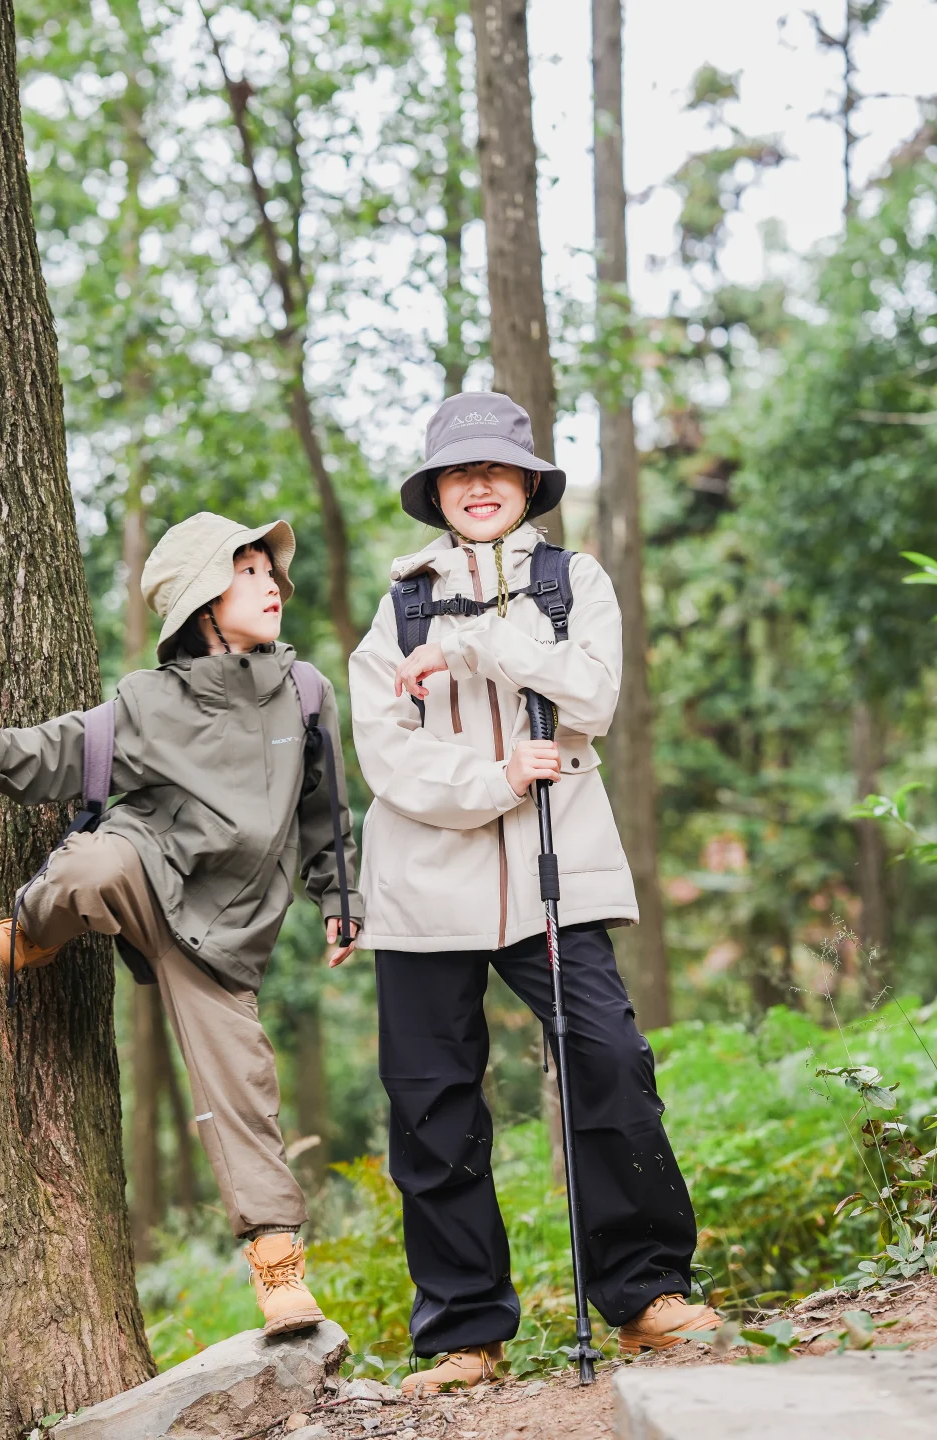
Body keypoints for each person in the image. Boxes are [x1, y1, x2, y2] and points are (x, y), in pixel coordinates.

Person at [346, 392, 719, 1394]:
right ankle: (465, 1333)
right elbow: (387, 755)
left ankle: (644, 1293)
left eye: (496, 471)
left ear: (525, 484)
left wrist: (479, 645)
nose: (477, 486)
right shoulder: (397, 605)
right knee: (432, 1105)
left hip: (557, 875)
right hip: (425, 879)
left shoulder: (573, 578)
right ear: (434, 491)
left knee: (608, 1057)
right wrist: (498, 779)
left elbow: (593, 697)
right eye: (457, 473)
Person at [0, 512, 362, 1337]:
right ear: (204, 600)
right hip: (145, 869)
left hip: (226, 924)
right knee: (92, 863)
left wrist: (340, 901)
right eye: (248, 572)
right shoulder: (150, 699)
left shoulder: (306, 692)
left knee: (243, 1081)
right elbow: (61, 749)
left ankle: (277, 1269)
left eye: (270, 571)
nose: (271, 583)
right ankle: (29, 937)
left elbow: (326, 813)